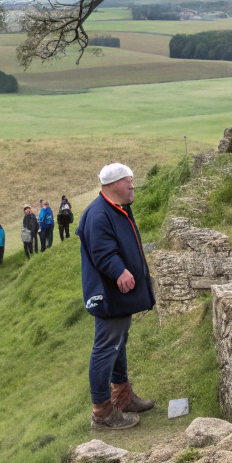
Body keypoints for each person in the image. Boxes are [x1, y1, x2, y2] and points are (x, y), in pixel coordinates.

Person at [76, 162, 157, 430]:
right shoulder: (99, 214)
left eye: (132, 179)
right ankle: (101, 412)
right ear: (111, 186)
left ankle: (123, 397)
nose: (132, 185)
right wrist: (120, 271)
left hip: (120, 296)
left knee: (118, 343)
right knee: (105, 349)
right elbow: (103, 252)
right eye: (127, 181)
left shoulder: (117, 208)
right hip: (110, 296)